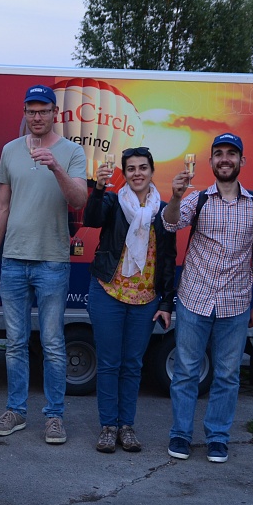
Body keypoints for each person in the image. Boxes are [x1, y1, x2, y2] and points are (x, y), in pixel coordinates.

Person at [0, 85, 87, 444]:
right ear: (25, 113)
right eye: (31, 111)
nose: (37, 117)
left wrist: (55, 167)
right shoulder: (10, 150)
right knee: (14, 342)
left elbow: (79, 199)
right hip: (13, 259)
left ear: (55, 113)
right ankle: (16, 411)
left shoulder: (72, 152)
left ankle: (54, 416)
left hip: (52, 261)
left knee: (53, 343)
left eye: (43, 110)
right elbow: (1, 205)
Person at [162, 133, 253, 463]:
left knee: (227, 376)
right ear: (210, 162)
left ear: (241, 161)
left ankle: (218, 438)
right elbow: (170, 224)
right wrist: (175, 197)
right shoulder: (197, 200)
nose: (225, 159)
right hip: (195, 299)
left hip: (235, 305)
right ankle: (181, 435)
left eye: (231, 154)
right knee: (185, 372)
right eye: (219, 153)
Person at [84, 147, 176, 453]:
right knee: (109, 363)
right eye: (132, 168)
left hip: (146, 298)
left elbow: (168, 258)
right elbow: (92, 218)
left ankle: (126, 426)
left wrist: (166, 302)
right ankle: (108, 427)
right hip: (108, 292)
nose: (138, 173)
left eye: (143, 167)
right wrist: (99, 188)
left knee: (133, 365)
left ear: (152, 171)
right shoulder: (113, 202)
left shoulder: (163, 211)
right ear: (124, 173)